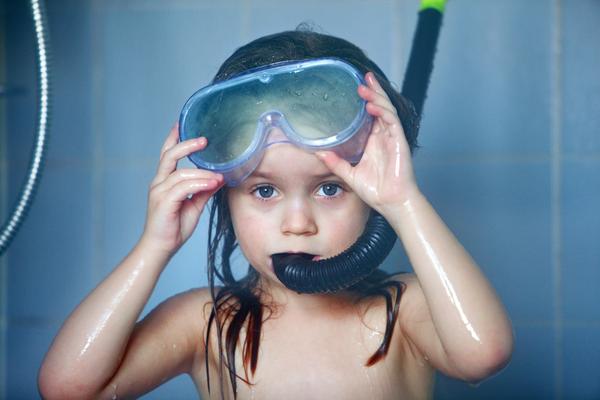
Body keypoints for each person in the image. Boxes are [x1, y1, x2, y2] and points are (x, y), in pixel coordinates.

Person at [38, 27, 513, 400]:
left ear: (371, 198)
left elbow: (482, 354)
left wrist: (405, 202)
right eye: (264, 191)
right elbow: (68, 389)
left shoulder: (402, 311)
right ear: (222, 197)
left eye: (329, 188)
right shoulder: (208, 323)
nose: (298, 223)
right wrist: (153, 247)